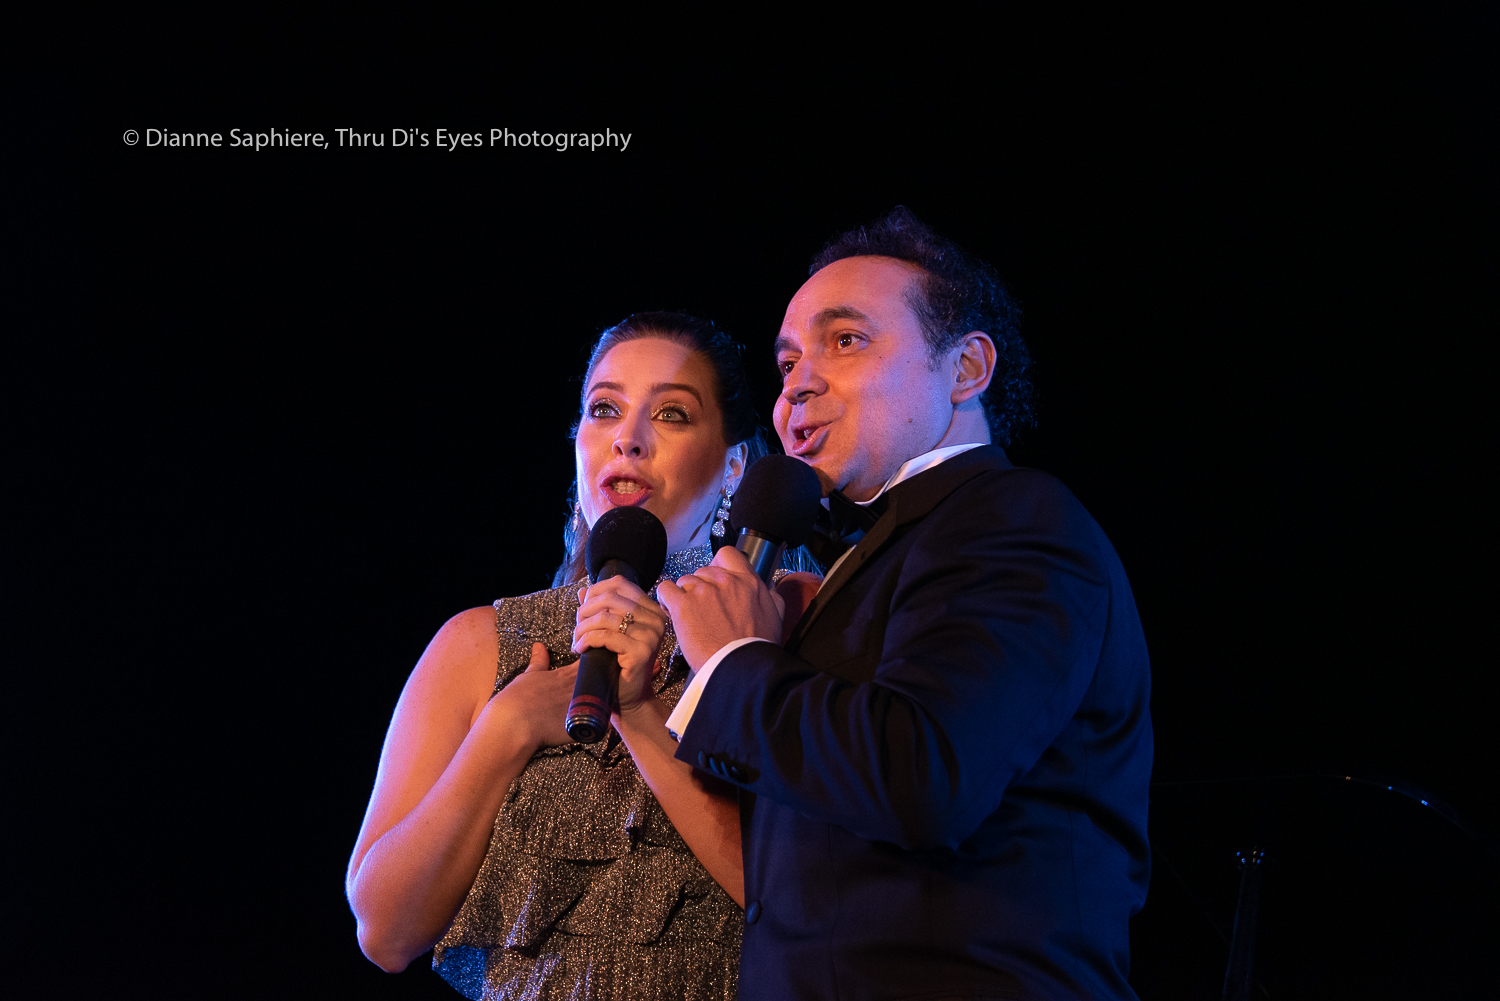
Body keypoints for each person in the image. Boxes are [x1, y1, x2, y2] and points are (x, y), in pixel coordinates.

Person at [658, 208, 1154, 1001]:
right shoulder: (870, 560)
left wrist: (735, 660)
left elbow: (924, 775)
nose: (797, 384)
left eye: (846, 340)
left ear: (966, 368)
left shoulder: (1016, 519)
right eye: (787, 363)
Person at [347, 312, 806, 1000]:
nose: (629, 438)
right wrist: (508, 725)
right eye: (604, 409)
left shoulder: (789, 618)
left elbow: (808, 906)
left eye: (672, 414)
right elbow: (385, 933)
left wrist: (639, 711)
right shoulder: (485, 642)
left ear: (734, 466)